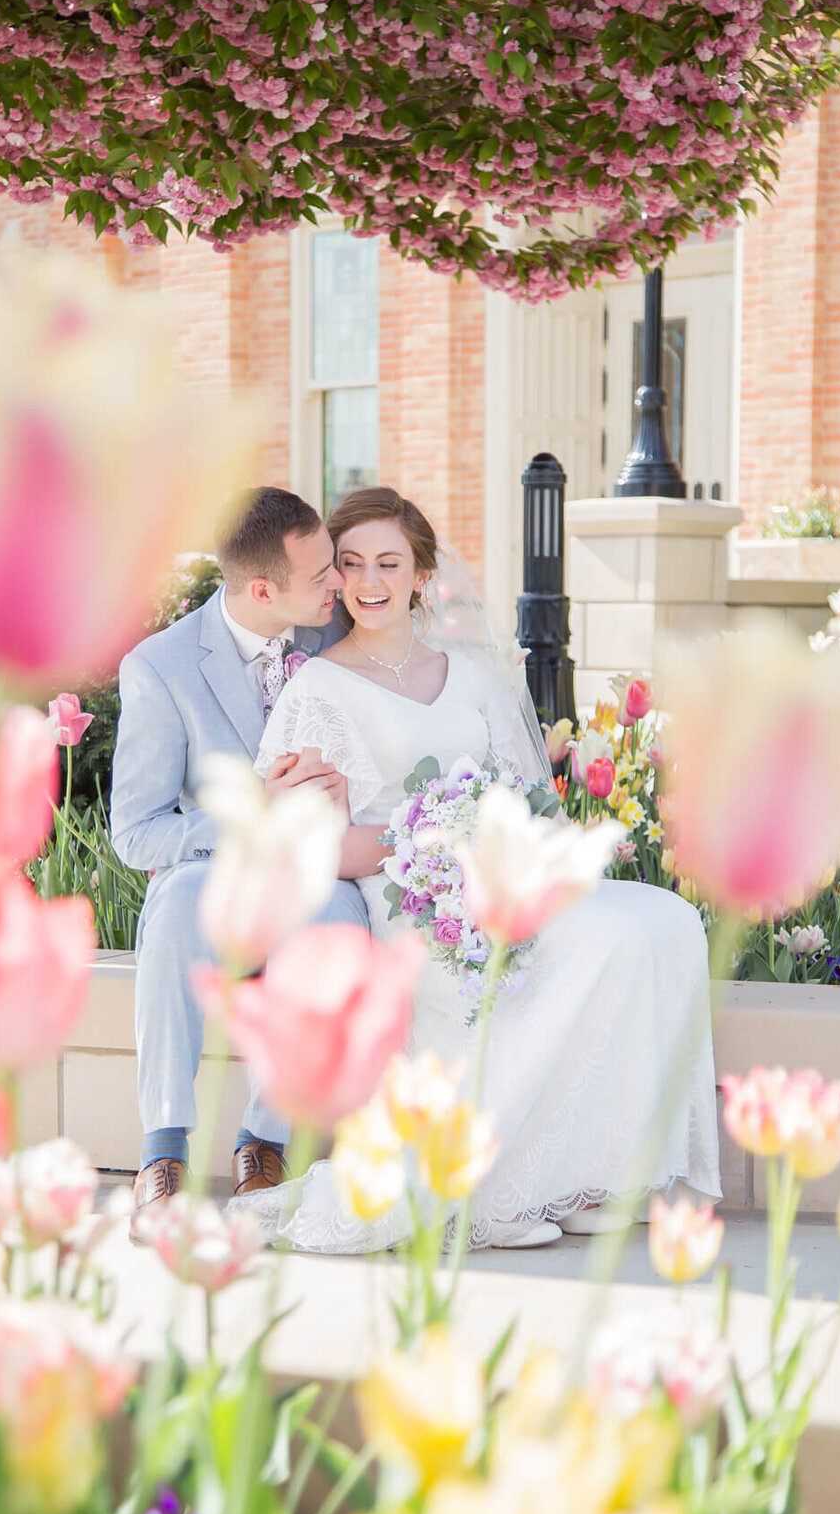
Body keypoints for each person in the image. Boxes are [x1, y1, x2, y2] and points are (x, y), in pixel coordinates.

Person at [244, 485, 722, 1253]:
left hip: (496, 878)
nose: (370, 581)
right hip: (412, 902)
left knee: (664, 923)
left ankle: (589, 1174)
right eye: (353, 563)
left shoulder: (469, 676)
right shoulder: (316, 689)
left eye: (389, 563)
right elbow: (311, 847)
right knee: (597, 946)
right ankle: (500, 1191)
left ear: (421, 575)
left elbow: (525, 795)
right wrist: (429, 847)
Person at [110, 486, 370, 1237]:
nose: (340, 584)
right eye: (323, 573)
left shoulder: (333, 635)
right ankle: (162, 1151)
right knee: (179, 907)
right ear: (263, 590)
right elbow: (136, 832)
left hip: (315, 873)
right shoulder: (159, 667)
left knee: (340, 915)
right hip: (210, 871)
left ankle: (267, 1141)